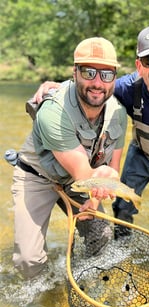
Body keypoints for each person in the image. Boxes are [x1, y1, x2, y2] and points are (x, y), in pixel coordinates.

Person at [33, 23, 149, 252]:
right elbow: (93, 86)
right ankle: (121, 252)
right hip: (142, 154)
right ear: (139, 66)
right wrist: (58, 87)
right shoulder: (127, 88)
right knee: (121, 207)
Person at [11, 37, 128, 279]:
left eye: (106, 74)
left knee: (102, 235)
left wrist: (94, 202)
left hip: (79, 180)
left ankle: (86, 278)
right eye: (88, 72)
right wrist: (106, 179)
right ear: (74, 73)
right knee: (28, 261)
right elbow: (86, 176)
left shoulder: (119, 114)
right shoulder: (53, 112)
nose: (97, 83)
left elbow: (112, 169)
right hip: (37, 176)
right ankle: (41, 303)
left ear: (115, 78)